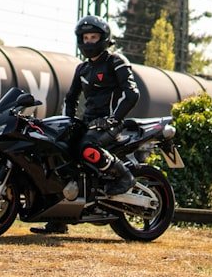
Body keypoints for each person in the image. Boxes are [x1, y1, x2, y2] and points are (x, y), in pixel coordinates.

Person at [32, 15, 139, 234]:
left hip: (111, 122)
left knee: (87, 148)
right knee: (57, 153)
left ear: (104, 38)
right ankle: (58, 219)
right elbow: (70, 98)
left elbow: (131, 94)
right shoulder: (82, 69)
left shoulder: (115, 61)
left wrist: (114, 118)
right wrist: (67, 122)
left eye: (94, 37)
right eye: (85, 37)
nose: (89, 41)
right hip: (88, 123)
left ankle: (125, 177)